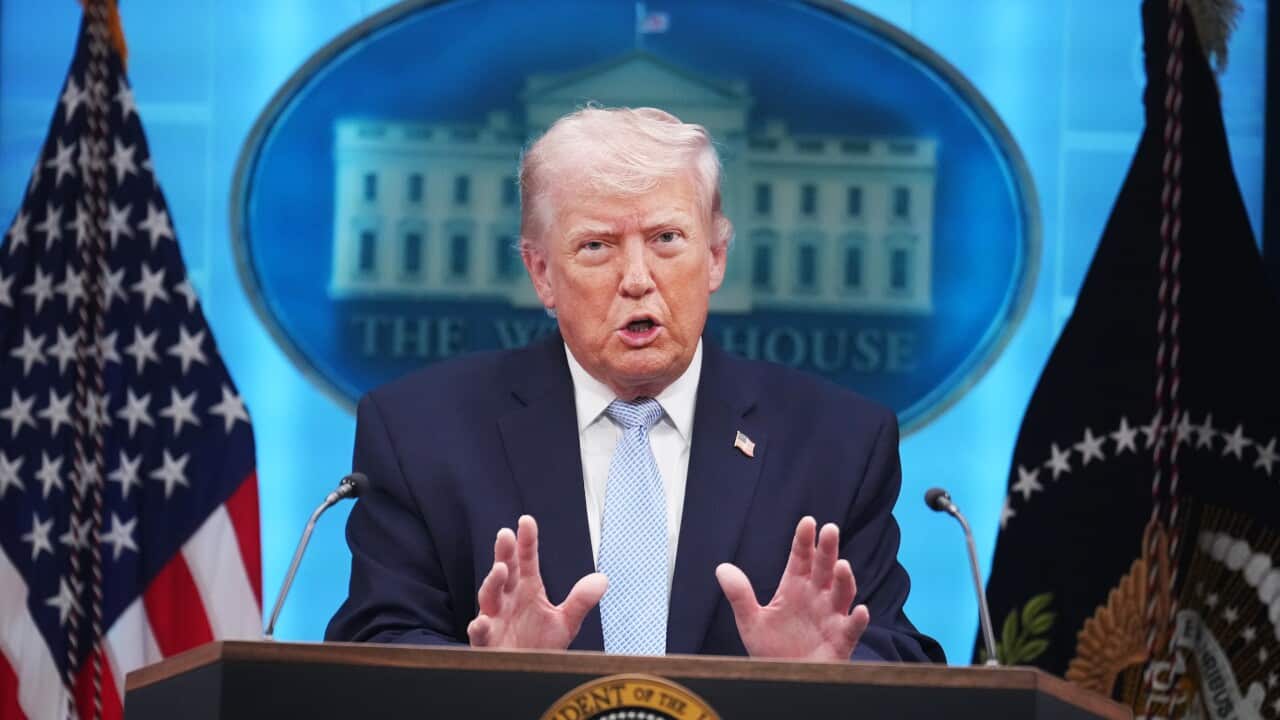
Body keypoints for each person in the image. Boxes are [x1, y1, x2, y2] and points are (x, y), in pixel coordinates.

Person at [325, 106, 944, 662]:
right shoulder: (421, 435)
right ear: (541, 273)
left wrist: (821, 680)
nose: (638, 279)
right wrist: (488, 676)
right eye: (597, 245)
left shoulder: (837, 443)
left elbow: (898, 653)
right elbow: (373, 645)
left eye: (667, 239)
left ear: (717, 257)